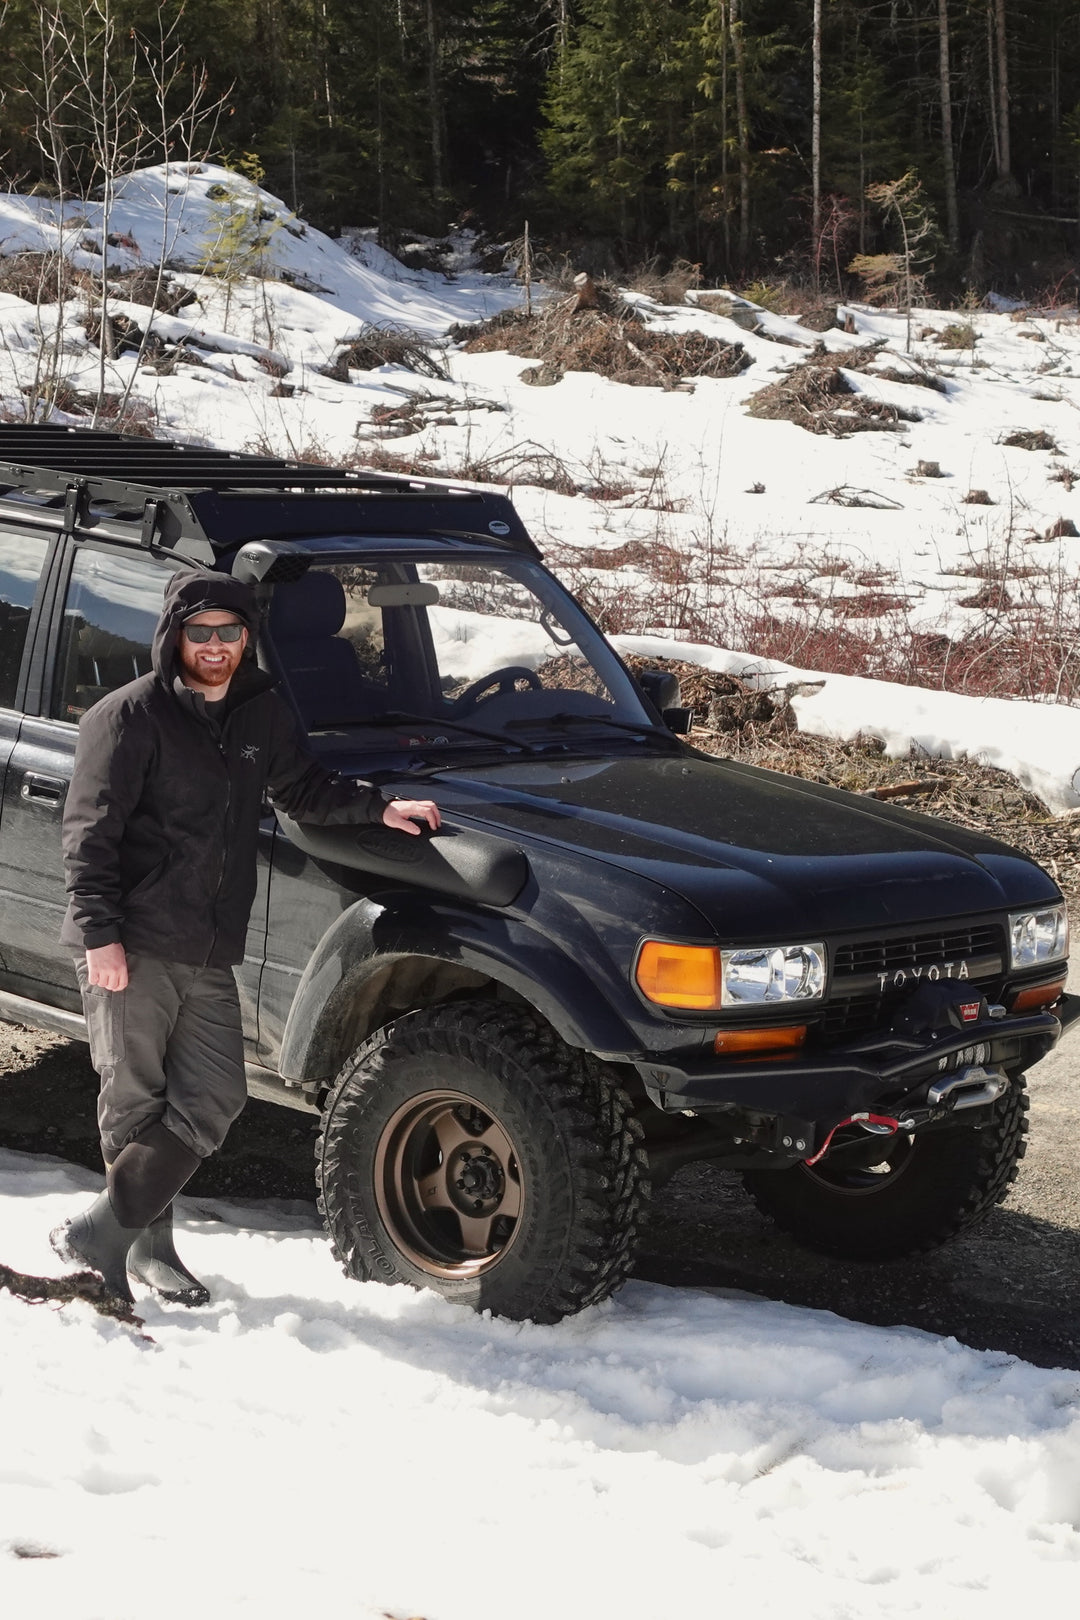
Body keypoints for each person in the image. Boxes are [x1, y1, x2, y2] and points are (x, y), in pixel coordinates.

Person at [50, 565, 440, 1307]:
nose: (215, 645)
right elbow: (88, 837)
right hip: (132, 940)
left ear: (247, 637)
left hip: (207, 945)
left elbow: (304, 788)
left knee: (216, 1095)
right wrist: (100, 936)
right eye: (200, 632)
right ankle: (143, 1249)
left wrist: (380, 809)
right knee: (134, 1100)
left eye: (228, 631)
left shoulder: (259, 712)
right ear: (174, 636)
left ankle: (101, 1231)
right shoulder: (127, 717)